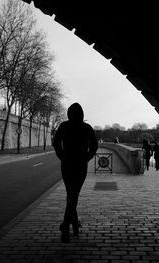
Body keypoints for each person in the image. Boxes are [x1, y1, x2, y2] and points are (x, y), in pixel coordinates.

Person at [53, 102, 98, 243]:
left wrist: (61, 156)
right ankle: (66, 226)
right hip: (80, 165)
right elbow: (95, 145)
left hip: (66, 164)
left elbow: (56, 142)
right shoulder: (86, 127)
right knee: (74, 195)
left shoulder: (64, 126)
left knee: (71, 194)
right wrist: (87, 157)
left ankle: (71, 226)